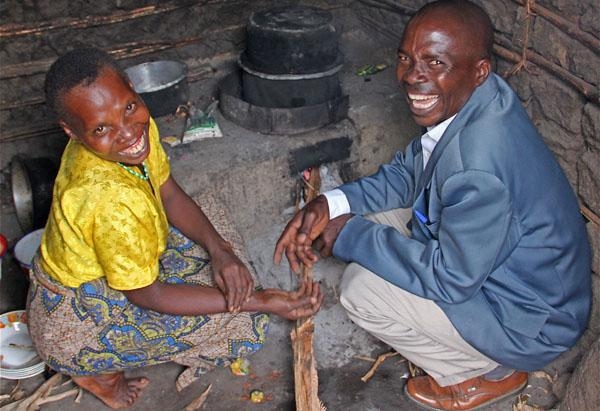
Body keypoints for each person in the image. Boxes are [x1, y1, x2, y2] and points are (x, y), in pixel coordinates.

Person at [273, 1, 591, 410]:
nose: (411, 77)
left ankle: (487, 373)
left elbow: (451, 278)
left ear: (478, 70)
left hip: (529, 320)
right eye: (406, 58)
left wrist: (350, 234)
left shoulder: (478, 167)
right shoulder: (479, 99)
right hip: (503, 268)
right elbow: (410, 173)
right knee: (360, 224)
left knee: (360, 291)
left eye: (434, 62)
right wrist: (330, 205)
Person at [27, 47, 323, 409]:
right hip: (76, 323)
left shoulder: (137, 133)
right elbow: (148, 297)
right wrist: (260, 301)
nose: (126, 132)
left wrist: (221, 252)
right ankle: (96, 372)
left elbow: (167, 192)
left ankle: (227, 279)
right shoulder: (106, 199)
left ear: (132, 90)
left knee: (216, 227)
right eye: (101, 129)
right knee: (246, 325)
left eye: (129, 107)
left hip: (119, 259)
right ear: (71, 131)